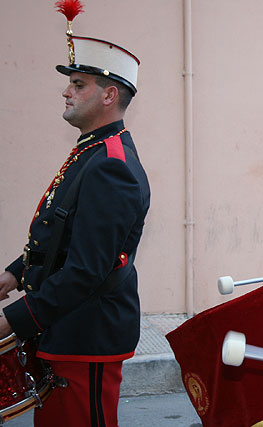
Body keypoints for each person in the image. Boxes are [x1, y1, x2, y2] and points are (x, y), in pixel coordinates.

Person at [0, 5, 150, 426]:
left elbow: (86, 269)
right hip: (65, 326)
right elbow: (60, 229)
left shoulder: (112, 165)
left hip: (88, 335)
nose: (66, 92)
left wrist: (10, 321)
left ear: (109, 95)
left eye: (78, 84)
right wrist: (15, 274)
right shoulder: (92, 151)